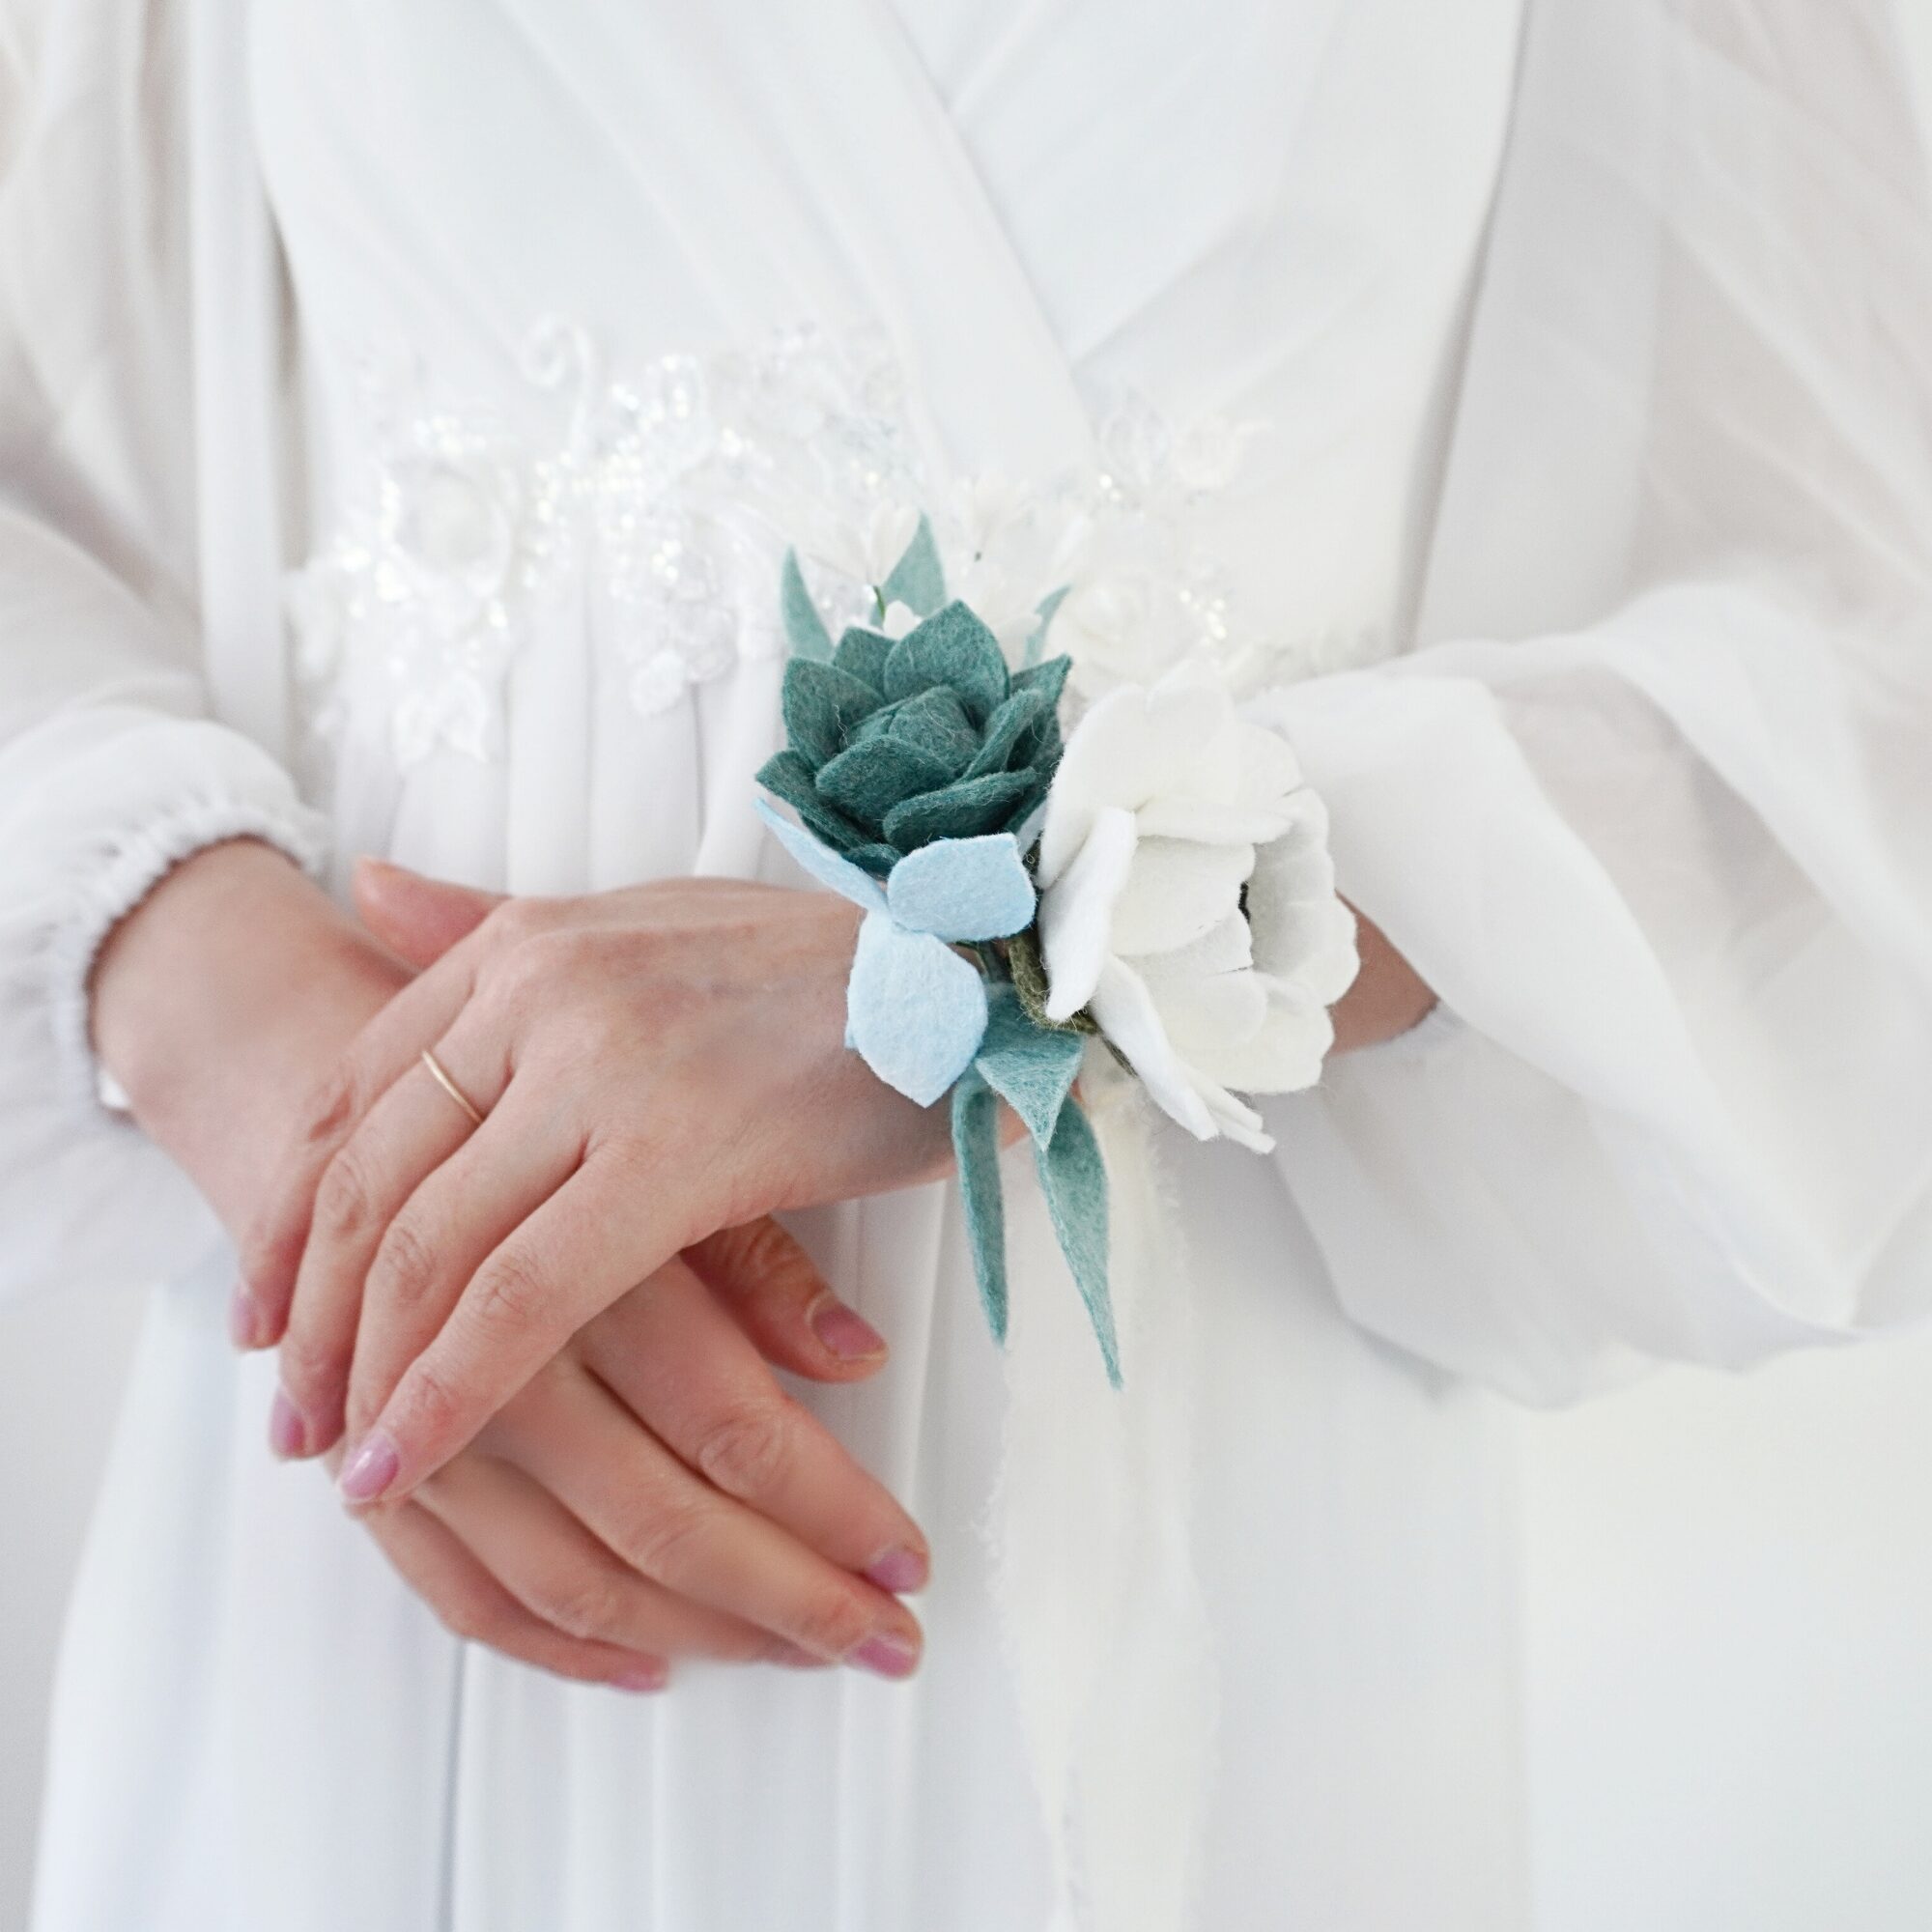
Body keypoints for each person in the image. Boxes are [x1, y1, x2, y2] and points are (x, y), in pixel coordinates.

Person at [5, 1, 1930, 1927]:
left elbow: (1857, 702)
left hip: (1166, 1465)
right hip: (386, 1423)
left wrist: (1002, 968)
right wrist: (205, 978)